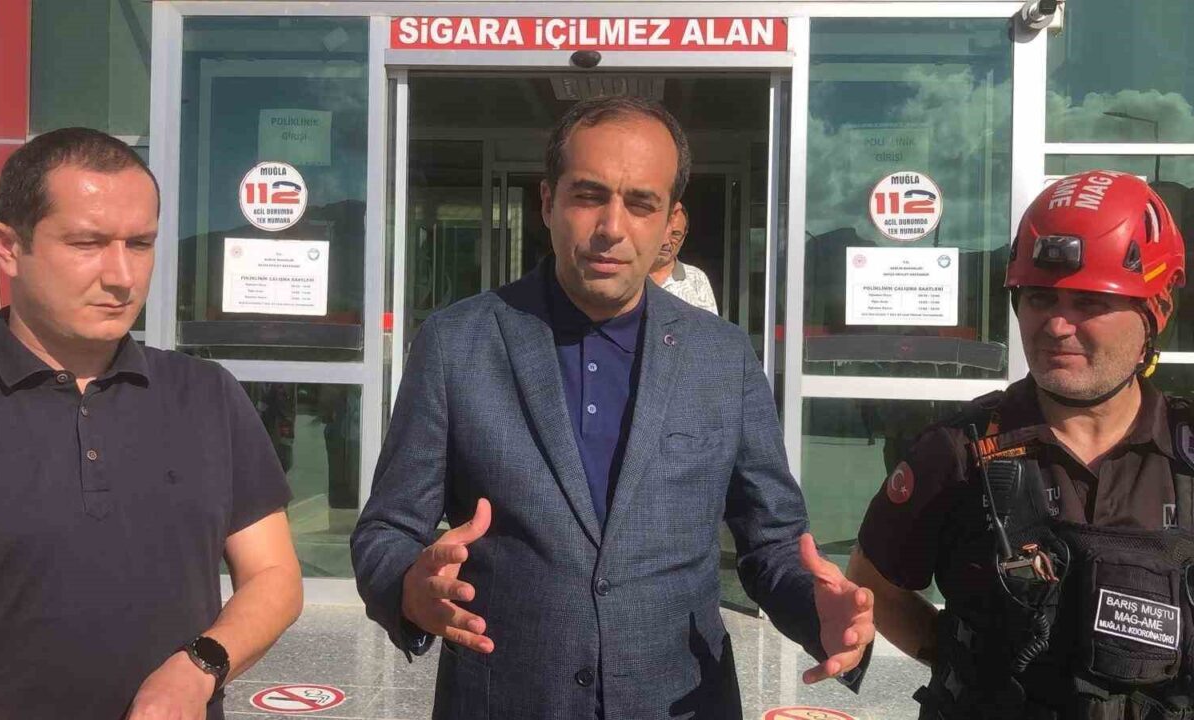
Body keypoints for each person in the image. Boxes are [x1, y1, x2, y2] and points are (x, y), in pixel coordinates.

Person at [351, 97, 874, 719]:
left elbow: (773, 544)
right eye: (588, 195)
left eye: (641, 203)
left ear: (671, 221)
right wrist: (407, 589)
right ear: (547, 201)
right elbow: (386, 530)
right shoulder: (456, 344)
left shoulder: (723, 357)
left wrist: (819, 610)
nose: (612, 227)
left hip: (681, 703)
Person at [0, 128, 303, 720]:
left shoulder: (206, 395)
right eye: (87, 243)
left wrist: (199, 668)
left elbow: (273, 575)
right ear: (7, 247)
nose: (122, 276)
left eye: (140, 244)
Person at [848, 170, 1193, 719]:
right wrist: (964, 671)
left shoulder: (1184, 458)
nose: (1056, 325)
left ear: (1157, 311)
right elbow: (874, 581)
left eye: (1088, 301)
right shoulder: (958, 451)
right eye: (1038, 297)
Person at [650, 205, 719, 315]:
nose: (665, 241)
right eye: (661, 231)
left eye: (675, 234)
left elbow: (711, 324)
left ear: (684, 236)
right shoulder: (629, 274)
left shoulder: (696, 279)